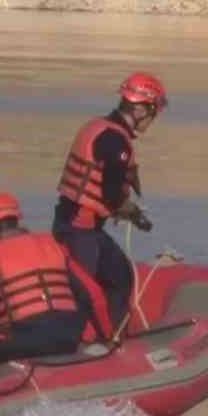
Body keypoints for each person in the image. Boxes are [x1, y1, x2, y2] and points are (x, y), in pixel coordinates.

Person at [0, 192, 112, 374]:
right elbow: (94, 295)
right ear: (16, 220)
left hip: (27, 338)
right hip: (68, 336)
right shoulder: (53, 245)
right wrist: (107, 338)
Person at [52, 71, 168, 337]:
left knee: (120, 277)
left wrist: (120, 209)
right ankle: (81, 347)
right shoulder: (116, 141)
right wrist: (136, 215)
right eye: (154, 111)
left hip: (81, 225)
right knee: (84, 291)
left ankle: (111, 338)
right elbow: (112, 195)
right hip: (78, 229)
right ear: (140, 109)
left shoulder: (99, 127)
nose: (153, 119)